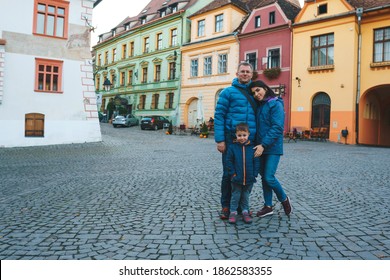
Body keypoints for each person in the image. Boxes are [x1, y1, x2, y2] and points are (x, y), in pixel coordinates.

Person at [214, 62, 257, 220]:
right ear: (237, 73)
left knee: (247, 174)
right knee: (228, 173)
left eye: (248, 71)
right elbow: (219, 115)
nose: (245, 74)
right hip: (231, 139)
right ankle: (226, 206)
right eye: (242, 71)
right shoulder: (228, 92)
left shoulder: (255, 93)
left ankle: (241, 206)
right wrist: (220, 140)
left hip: (249, 141)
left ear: (252, 74)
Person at [250, 80, 292, 217]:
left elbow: (277, 127)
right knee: (264, 177)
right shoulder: (260, 106)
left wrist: (263, 145)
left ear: (265, 88)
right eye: (253, 93)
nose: (256, 94)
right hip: (260, 146)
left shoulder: (275, 103)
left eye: (258, 90)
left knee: (269, 177)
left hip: (272, 147)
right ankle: (268, 206)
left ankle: (284, 199)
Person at [226, 123, 260, 224]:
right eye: (239, 135)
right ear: (236, 135)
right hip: (236, 178)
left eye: (244, 135)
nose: (242, 138)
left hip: (249, 177)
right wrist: (233, 174)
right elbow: (229, 161)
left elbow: (256, 161)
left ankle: (245, 211)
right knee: (235, 195)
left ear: (248, 134)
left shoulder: (252, 148)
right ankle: (233, 212)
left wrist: (254, 174)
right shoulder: (232, 148)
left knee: (245, 195)